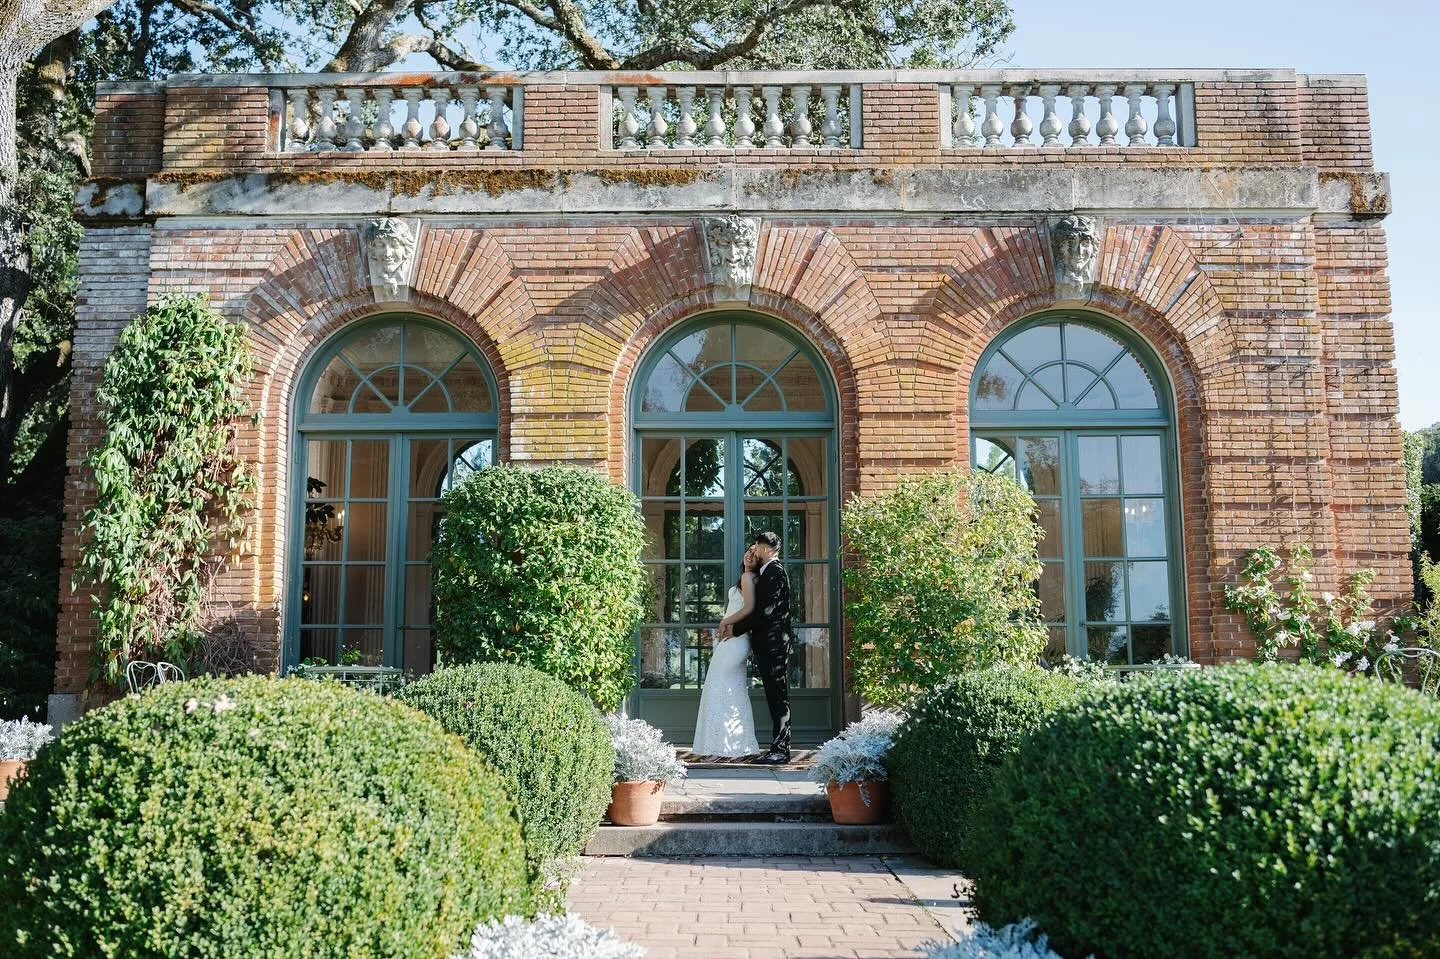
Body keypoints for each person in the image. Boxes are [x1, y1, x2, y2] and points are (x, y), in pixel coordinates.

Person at [723, 530, 793, 764]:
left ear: (766, 549)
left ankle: (781, 750)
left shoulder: (774, 572)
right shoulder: (766, 572)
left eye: (757, 546)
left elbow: (764, 612)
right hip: (768, 646)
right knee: (775, 696)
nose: (754, 550)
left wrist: (734, 629)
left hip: (774, 646)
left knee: (778, 697)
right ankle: (778, 747)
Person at [691, 547, 761, 760]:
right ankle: (732, 747)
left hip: (736, 640)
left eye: (754, 554)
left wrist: (724, 621)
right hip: (733, 640)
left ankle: (720, 748)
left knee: (719, 687)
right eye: (748, 551)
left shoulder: (748, 577)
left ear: (759, 561)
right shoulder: (748, 578)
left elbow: (749, 608)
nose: (749, 555)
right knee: (731, 690)